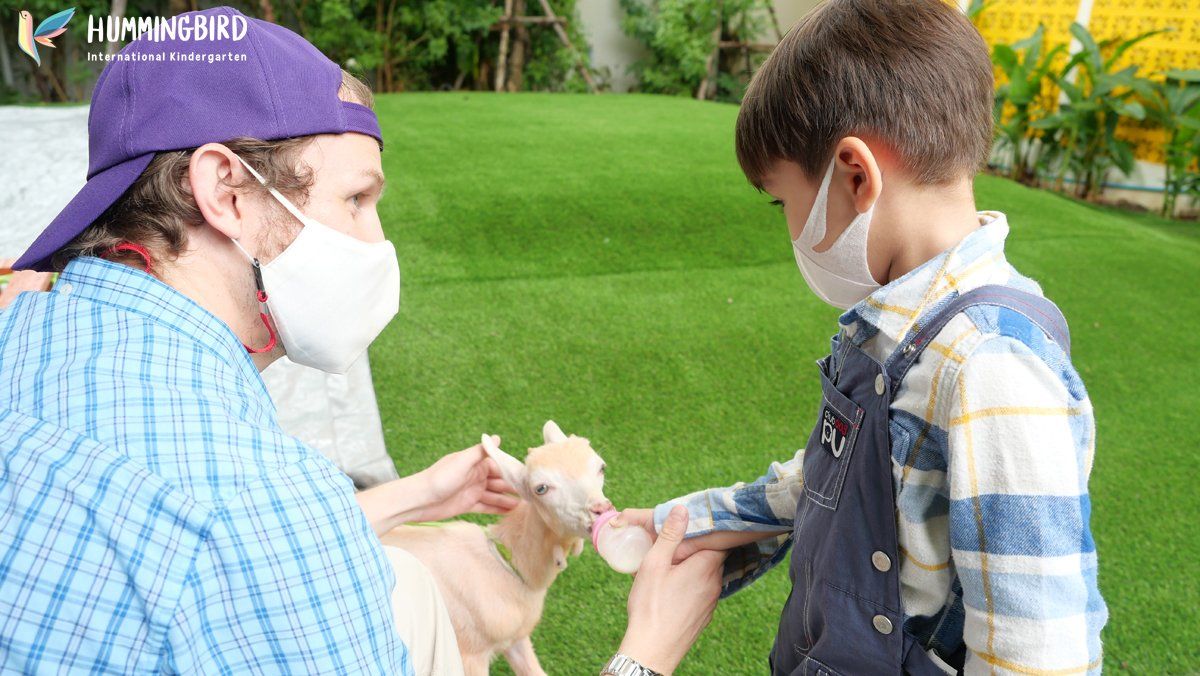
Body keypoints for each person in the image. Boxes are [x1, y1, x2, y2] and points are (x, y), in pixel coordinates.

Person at [0, 8, 522, 674]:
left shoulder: (21, 325)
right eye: (358, 200)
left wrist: (422, 493)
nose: (377, 244)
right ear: (229, 192)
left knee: (410, 585)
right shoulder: (264, 504)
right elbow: (251, 536)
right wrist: (643, 653)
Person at [609, 1, 1108, 674]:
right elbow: (824, 479)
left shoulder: (993, 367)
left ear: (855, 175)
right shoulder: (891, 327)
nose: (788, 226)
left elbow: (1037, 649)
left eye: (783, 201)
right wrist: (680, 521)